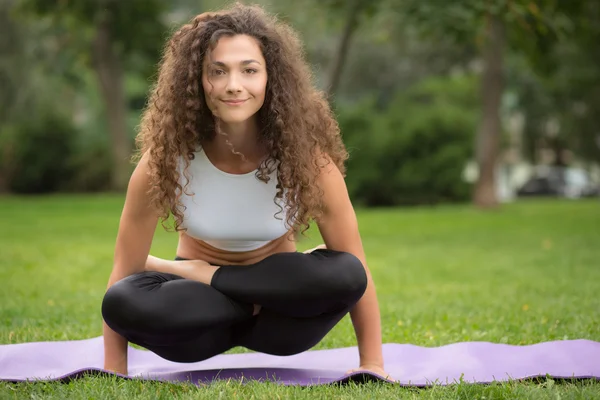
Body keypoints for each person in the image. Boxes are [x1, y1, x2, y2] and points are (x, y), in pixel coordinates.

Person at [101, 2, 390, 381]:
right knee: (123, 299)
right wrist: (112, 370)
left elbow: (356, 270)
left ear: (271, 78)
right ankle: (206, 283)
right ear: (194, 81)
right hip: (199, 322)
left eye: (249, 70)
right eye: (216, 71)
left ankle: (197, 273)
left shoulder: (309, 161)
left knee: (346, 274)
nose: (233, 85)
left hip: (280, 320)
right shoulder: (164, 161)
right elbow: (124, 273)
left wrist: (373, 364)